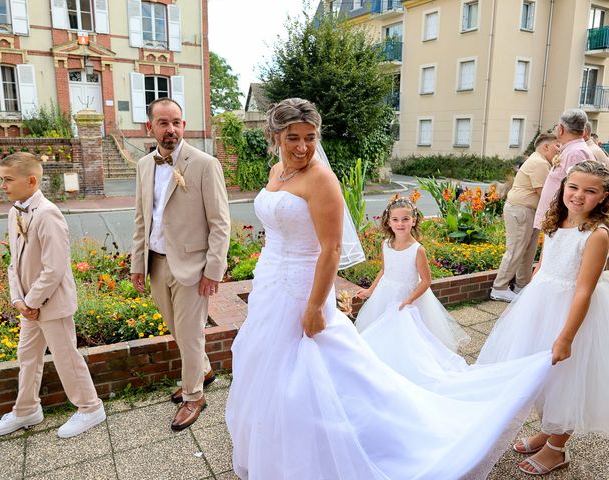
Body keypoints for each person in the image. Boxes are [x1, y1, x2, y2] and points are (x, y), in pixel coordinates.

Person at [226, 98, 553, 480]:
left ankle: (351, 443)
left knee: (313, 371)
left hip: (303, 286)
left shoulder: (321, 179)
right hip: (271, 283)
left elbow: (330, 248)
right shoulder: (275, 171)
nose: (301, 147)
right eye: (292, 138)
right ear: (274, 136)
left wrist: (316, 306)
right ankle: (284, 449)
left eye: (310, 137)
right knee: (273, 370)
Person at [478, 161, 609, 475]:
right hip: (541, 304)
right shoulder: (555, 220)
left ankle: (556, 447)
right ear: (563, 186)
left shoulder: (597, 235)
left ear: (604, 197)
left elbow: (583, 291)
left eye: (590, 191)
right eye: (573, 187)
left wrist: (566, 337)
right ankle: (546, 430)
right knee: (541, 377)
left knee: (568, 381)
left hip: (573, 314)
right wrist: (527, 305)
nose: (578, 195)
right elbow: (542, 266)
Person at [131, 97, 230, 431]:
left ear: (183, 125)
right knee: (177, 330)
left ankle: (193, 396)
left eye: (176, 122)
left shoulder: (204, 164)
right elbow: (142, 219)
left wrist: (213, 272)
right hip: (156, 263)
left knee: (189, 335)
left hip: (191, 267)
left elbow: (220, 223)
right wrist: (137, 263)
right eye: (163, 122)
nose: (170, 129)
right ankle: (203, 369)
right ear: (151, 127)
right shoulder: (145, 166)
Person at [0, 153, 105, 439]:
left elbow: (55, 268)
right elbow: (13, 261)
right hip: (29, 305)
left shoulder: (48, 213)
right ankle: (27, 409)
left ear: (31, 180)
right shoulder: (15, 211)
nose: (2, 185)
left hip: (51, 304)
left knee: (66, 357)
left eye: (8, 179)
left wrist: (31, 302)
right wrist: (19, 300)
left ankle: (90, 408)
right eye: (1, 178)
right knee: (27, 356)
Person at [354, 197, 469, 351]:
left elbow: (426, 281)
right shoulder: (386, 245)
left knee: (408, 335)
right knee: (383, 330)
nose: (400, 224)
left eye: (405, 219)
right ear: (389, 222)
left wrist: (410, 299)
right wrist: (370, 291)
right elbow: (384, 270)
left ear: (413, 221)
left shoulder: (417, 250)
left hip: (409, 297)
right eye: (395, 219)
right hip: (385, 293)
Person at [490, 133, 560, 302]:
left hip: (529, 211)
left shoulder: (540, 161)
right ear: (546, 147)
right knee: (515, 250)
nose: (560, 150)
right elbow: (543, 193)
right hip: (522, 210)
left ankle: (522, 286)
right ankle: (499, 288)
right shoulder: (539, 163)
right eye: (557, 146)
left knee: (528, 251)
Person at [534, 108, 594, 230]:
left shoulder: (575, 153)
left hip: (562, 223)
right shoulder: (572, 150)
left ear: (561, 129)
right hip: (557, 221)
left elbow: (577, 192)